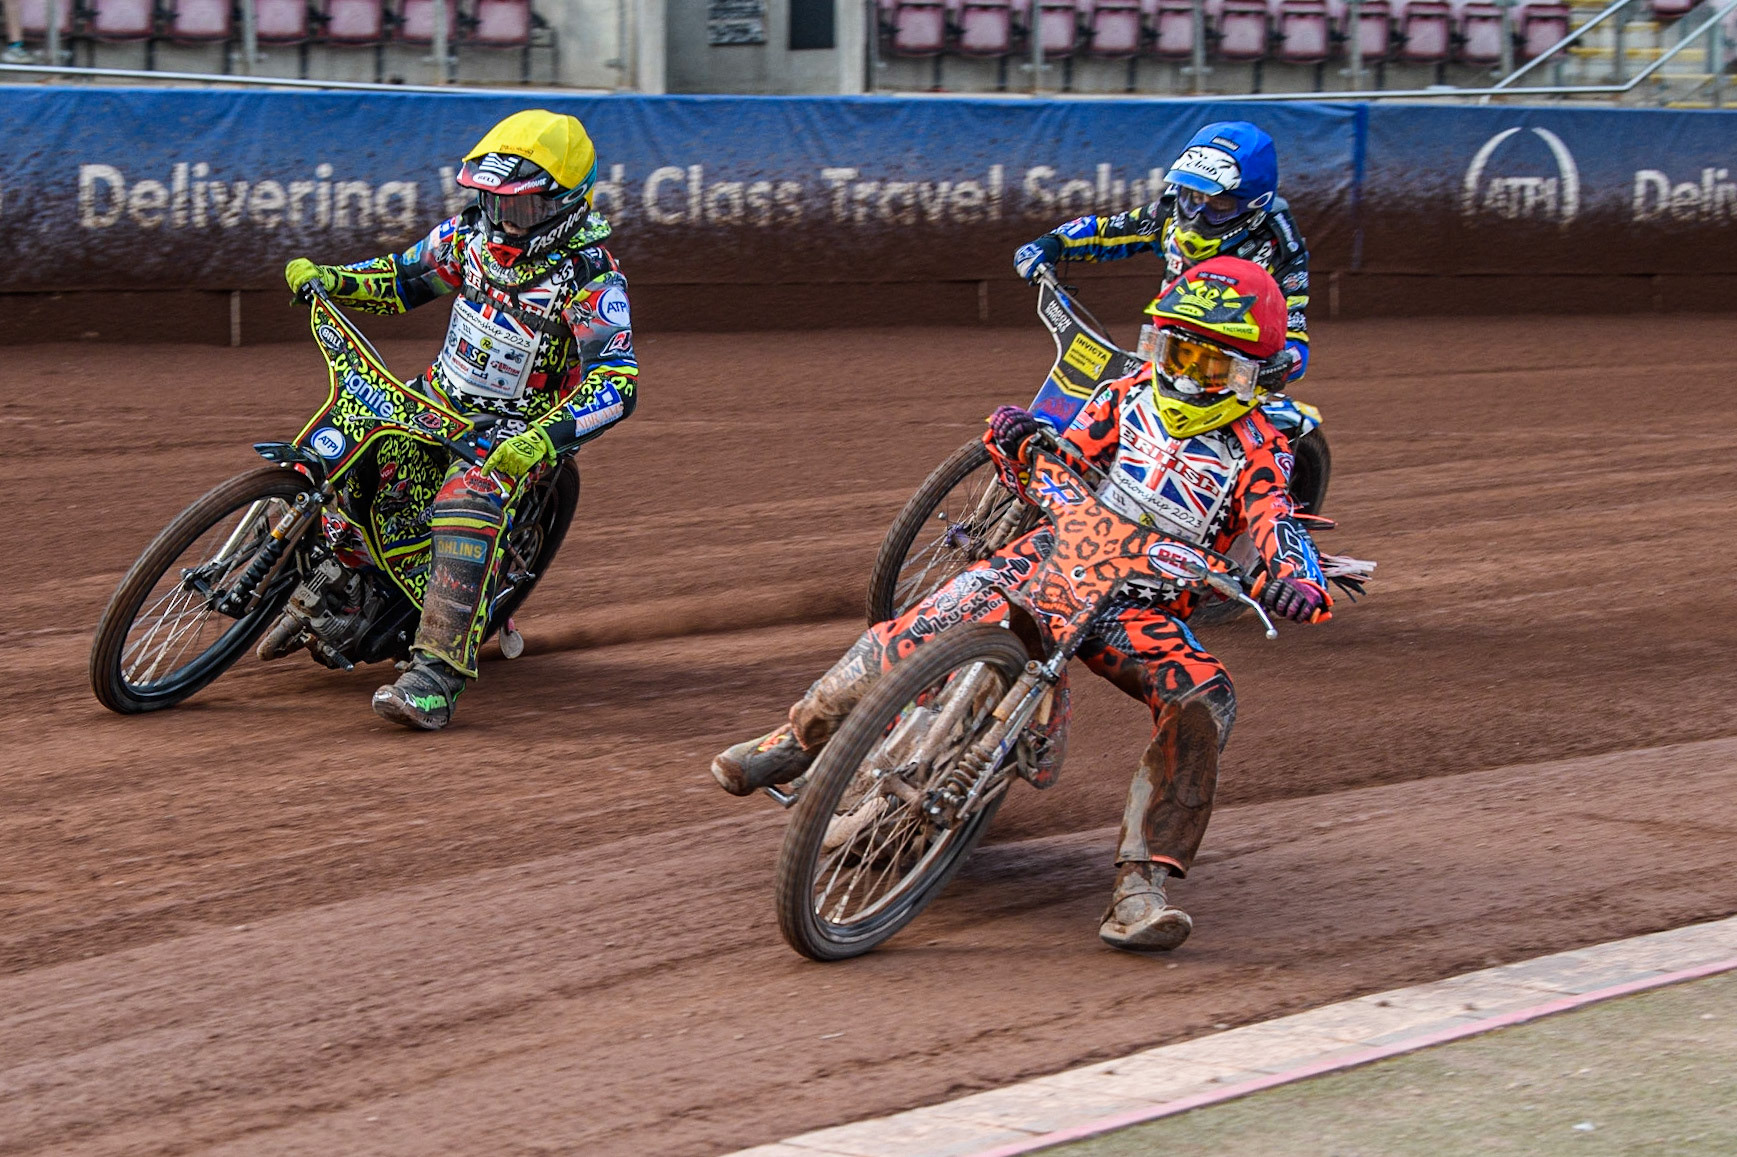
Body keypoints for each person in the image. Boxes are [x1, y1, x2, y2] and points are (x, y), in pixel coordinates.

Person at [711, 256, 1331, 953]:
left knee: (1205, 696)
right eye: (1176, 351)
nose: (1186, 376)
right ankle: (793, 742)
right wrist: (1019, 438)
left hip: (1137, 610)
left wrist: (1294, 580)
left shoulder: (1260, 448)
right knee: (908, 629)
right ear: (1155, 342)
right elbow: (1063, 453)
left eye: (1210, 367)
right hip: (1047, 560)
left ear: (1249, 378)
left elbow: (1277, 519)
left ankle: (1140, 884)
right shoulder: (1123, 396)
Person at [284, 109, 638, 731]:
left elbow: (617, 383)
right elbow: (401, 280)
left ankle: (436, 677)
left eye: (519, 209)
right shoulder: (466, 237)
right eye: (490, 201)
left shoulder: (590, 279)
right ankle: (317, 582)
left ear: (565, 205)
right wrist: (331, 279)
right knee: (335, 451)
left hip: (516, 433)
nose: (501, 220)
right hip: (435, 401)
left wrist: (539, 443)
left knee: (467, 502)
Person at [1014, 120, 1312, 388]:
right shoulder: (1170, 213)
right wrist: (1053, 243)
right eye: (1194, 196)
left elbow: (1296, 342)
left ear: (1254, 205)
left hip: (1231, 376)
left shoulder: (1278, 245)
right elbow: (1106, 232)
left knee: (1265, 438)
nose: (1197, 213)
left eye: (1219, 204)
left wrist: (1281, 364)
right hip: (1165, 354)